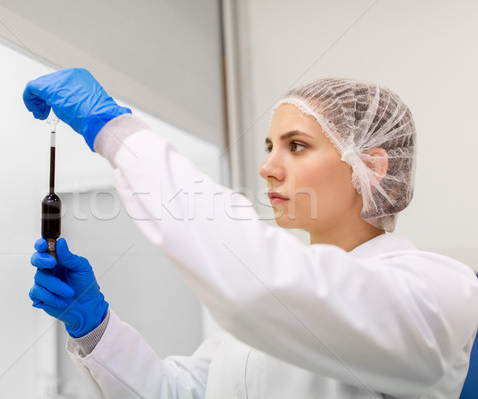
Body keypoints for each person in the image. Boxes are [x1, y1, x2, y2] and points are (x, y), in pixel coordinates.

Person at [25, 68, 478, 398]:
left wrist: (116, 133)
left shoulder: (439, 291)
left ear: (372, 167)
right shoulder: (253, 333)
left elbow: (261, 286)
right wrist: (95, 328)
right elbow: (178, 393)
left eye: (296, 146)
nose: (267, 168)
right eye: (269, 147)